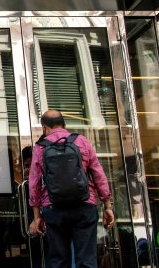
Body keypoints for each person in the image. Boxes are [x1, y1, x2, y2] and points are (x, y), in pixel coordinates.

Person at [27, 110, 113, 268]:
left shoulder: (40, 148)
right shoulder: (81, 141)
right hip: (84, 205)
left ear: (44, 127)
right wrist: (107, 204)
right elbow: (98, 174)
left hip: (54, 208)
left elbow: (34, 182)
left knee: (59, 261)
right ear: (64, 124)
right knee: (86, 260)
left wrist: (36, 215)